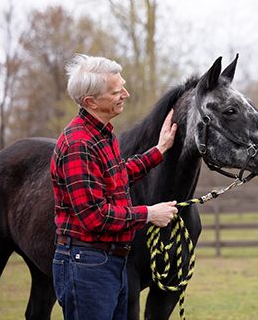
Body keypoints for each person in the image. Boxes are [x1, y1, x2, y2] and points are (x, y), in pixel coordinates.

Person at [50, 54, 178, 320]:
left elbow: (118, 175)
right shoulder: (79, 145)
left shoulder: (103, 135)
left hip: (109, 262)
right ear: (91, 102)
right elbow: (95, 217)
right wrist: (149, 214)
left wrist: (160, 149)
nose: (126, 94)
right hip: (87, 266)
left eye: (123, 87)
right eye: (117, 91)